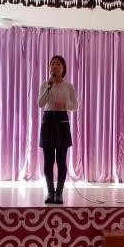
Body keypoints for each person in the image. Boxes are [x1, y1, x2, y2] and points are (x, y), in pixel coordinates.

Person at [37, 55, 79, 204]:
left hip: (62, 121)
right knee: (48, 161)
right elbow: (40, 104)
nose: (54, 66)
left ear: (63, 68)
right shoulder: (45, 84)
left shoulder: (69, 86)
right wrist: (48, 87)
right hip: (48, 120)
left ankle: (59, 193)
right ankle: (50, 192)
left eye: (57, 64)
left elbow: (76, 105)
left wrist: (65, 105)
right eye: (52, 64)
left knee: (61, 160)